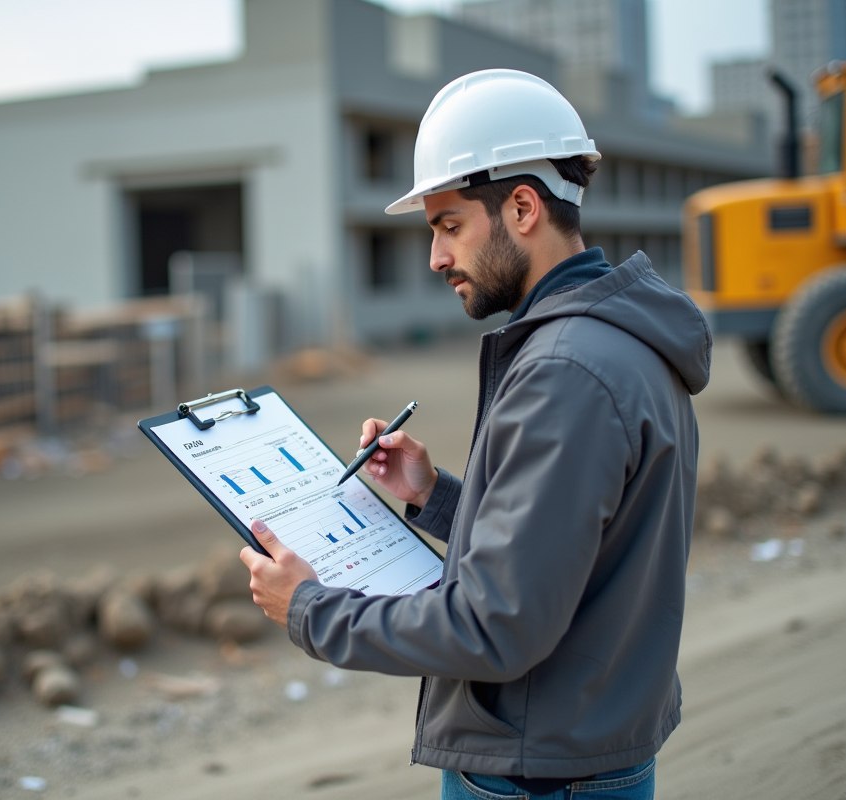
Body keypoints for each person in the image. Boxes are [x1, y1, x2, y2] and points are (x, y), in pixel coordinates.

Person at [240, 69, 710, 800]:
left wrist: (310, 609)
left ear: (522, 206)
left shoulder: (567, 371)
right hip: (585, 747)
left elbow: (497, 627)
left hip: (540, 774)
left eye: (449, 225)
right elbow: (569, 549)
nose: (435, 258)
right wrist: (433, 497)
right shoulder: (621, 341)